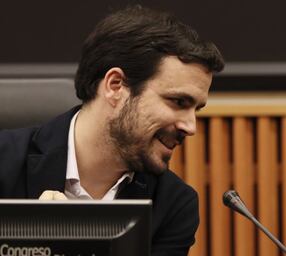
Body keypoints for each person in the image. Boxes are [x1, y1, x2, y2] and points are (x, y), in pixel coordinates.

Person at [0, 5, 224, 256]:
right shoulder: (4, 163)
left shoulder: (172, 204)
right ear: (116, 86)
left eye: (196, 109)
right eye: (178, 102)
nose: (190, 126)